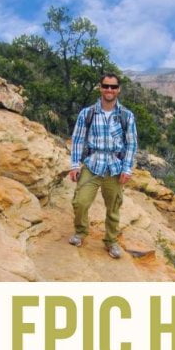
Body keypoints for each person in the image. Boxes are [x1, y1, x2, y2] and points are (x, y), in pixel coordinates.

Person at [68, 72, 138, 259]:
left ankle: (111, 241)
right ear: (100, 88)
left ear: (118, 90)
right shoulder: (88, 113)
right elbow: (77, 139)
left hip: (115, 167)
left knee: (113, 207)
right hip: (92, 164)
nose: (109, 90)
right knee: (80, 202)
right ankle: (80, 232)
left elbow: (131, 144)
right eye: (106, 86)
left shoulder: (126, 116)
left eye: (113, 87)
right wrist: (74, 165)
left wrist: (127, 168)